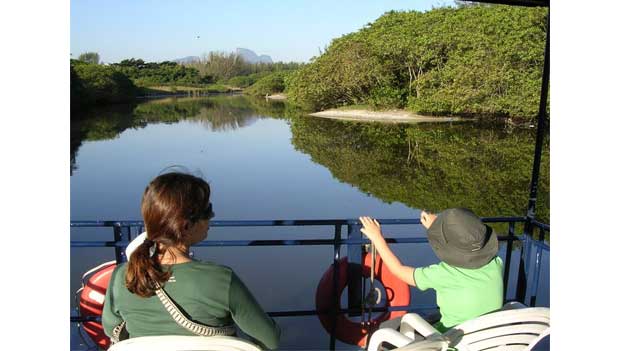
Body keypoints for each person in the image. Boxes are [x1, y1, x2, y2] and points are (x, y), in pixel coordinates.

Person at [102, 172, 280, 350]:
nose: (212, 215)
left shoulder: (121, 276)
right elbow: (269, 339)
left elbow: (112, 329)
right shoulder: (221, 279)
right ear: (186, 226)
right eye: (207, 210)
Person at [359, 208, 503, 333]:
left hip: (452, 339)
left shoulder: (444, 274)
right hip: (486, 335)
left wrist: (377, 238)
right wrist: (436, 230)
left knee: (386, 329)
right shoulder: (496, 264)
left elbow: (399, 270)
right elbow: (461, 244)